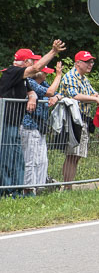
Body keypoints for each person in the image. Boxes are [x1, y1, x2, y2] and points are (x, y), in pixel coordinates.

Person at [2, 43, 62, 194]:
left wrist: (32, 97)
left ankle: (17, 191)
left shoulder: (23, 78)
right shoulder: (13, 71)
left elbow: (32, 90)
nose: (36, 64)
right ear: (26, 62)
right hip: (5, 123)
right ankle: (7, 192)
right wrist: (53, 52)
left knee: (18, 160)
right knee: (7, 159)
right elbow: (36, 70)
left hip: (15, 123)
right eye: (33, 60)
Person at [58, 50, 99, 188]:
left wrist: (97, 95)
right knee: (72, 155)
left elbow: (92, 92)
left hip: (83, 119)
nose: (91, 64)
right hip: (72, 120)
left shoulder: (83, 78)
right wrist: (96, 99)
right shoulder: (71, 76)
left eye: (92, 61)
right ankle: (67, 186)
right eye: (87, 61)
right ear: (78, 63)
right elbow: (75, 95)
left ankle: (69, 185)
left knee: (77, 155)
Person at [21, 59, 62, 193]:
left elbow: (56, 93)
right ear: (39, 73)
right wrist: (58, 76)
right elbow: (50, 92)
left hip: (40, 127)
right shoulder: (31, 83)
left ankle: (40, 188)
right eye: (45, 72)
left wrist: (56, 97)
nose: (47, 75)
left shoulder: (43, 83)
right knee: (31, 160)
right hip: (30, 126)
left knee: (42, 159)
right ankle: (29, 189)